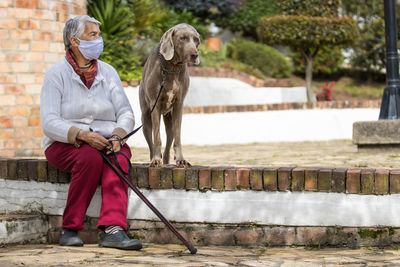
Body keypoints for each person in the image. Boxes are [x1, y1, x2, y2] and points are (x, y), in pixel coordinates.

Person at [40, 15, 141, 250]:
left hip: (107, 139)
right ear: (75, 41)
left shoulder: (108, 72)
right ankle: (70, 228)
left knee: (120, 157)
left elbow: (125, 112)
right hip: (65, 142)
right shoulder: (56, 74)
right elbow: (49, 122)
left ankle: (113, 230)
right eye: (93, 35)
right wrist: (83, 135)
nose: (99, 40)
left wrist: (117, 136)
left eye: (99, 34)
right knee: (89, 157)